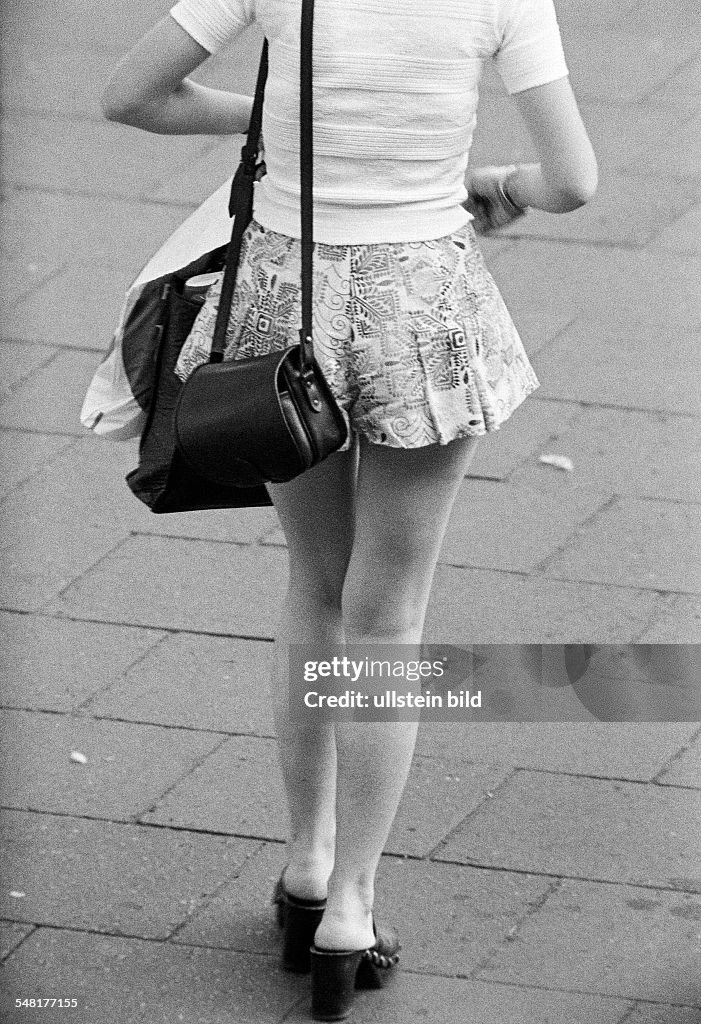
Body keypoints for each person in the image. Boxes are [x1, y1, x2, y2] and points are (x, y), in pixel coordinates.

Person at [101, 0, 597, 1017]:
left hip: (281, 298)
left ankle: (305, 866)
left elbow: (131, 96)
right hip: (426, 303)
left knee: (314, 582)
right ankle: (351, 913)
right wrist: (498, 184)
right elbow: (572, 181)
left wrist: (279, 124)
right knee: (389, 610)